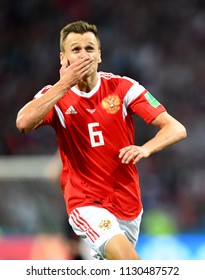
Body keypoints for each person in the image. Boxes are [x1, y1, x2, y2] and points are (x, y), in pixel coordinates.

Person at [16, 20, 187, 260]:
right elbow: (23, 123)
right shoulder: (53, 95)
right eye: (75, 50)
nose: (83, 55)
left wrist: (146, 148)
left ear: (99, 55)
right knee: (132, 265)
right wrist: (65, 83)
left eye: (89, 48)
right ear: (63, 58)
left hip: (128, 204)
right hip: (86, 203)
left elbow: (176, 128)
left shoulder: (123, 87)